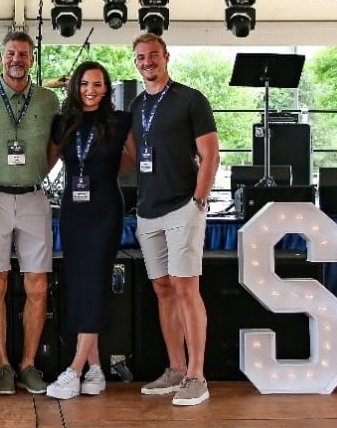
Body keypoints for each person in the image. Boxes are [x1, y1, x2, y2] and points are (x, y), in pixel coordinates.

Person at [125, 33, 220, 406]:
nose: (147, 61)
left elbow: (210, 153)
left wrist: (199, 198)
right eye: (140, 57)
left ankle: (198, 376)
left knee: (185, 288)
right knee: (163, 289)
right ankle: (177, 368)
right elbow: (134, 157)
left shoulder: (190, 99)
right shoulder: (135, 106)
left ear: (166, 57)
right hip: (148, 211)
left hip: (184, 206)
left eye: (153, 55)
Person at [0, 31, 60, 395]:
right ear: (0, 57)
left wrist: (35, 173)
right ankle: (3, 365)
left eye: (23, 54)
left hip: (35, 198)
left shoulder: (49, 99)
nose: (16, 59)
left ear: (32, 60)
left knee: (37, 284)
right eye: (10, 53)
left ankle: (28, 365)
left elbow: (56, 144)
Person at [45, 61, 133, 400]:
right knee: (80, 286)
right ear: (75, 87)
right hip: (73, 212)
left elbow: (133, 161)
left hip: (105, 210)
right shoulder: (64, 122)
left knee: (95, 284)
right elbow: (47, 163)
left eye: (97, 84)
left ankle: (74, 369)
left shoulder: (121, 121)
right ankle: (96, 371)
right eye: (84, 83)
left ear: (107, 88)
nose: (90, 89)